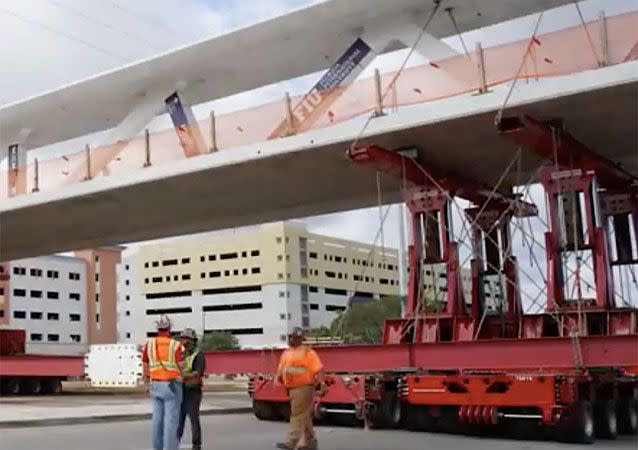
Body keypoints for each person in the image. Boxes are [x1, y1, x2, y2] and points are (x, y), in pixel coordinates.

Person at [275, 327, 326, 450]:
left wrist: (322, 384)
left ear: (299, 339)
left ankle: (291, 442)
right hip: (292, 388)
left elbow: (318, 369)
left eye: (293, 337)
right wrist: (277, 378)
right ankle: (310, 442)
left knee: (297, 414)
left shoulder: (307, 353)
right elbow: (282, 369)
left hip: (304, 388)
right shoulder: (287, 353)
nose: (290, 339)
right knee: (304, 415)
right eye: (290, 337)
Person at [142, 315, 184, 450]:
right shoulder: (175, 344)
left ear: (157, 328)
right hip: (171, 384)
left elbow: (145, 363)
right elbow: (180, 365)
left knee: (157, 419)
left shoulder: (149, 344)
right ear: (170, 328)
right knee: (171, 421)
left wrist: (146, 381)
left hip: (155, 383)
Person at [177, 328, 206, 450]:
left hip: (193, 392)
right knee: (179, 419)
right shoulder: (182, 354)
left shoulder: (198, 355)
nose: (184, 341)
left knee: (193, 418)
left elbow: (198, 373)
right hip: (181, 390)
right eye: (183, 339)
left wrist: (184, 376)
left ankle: (196, 445)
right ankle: (175, 442)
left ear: (193, 340)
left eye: (187, 339)